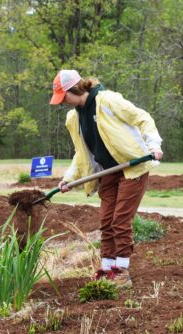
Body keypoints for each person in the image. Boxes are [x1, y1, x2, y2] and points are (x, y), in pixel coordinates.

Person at [49, 69, 163, 288]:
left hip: (132, 167)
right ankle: (107, 267)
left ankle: (121, 271)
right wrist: (68, 178)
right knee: (106, 220)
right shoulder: (74, 117)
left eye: (64, 97)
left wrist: (153, 145)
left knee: (120, 220)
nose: (63, 102)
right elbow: (81, 153)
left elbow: (142, 118)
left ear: (76, 88)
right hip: (107, 172)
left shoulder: (108, 101)